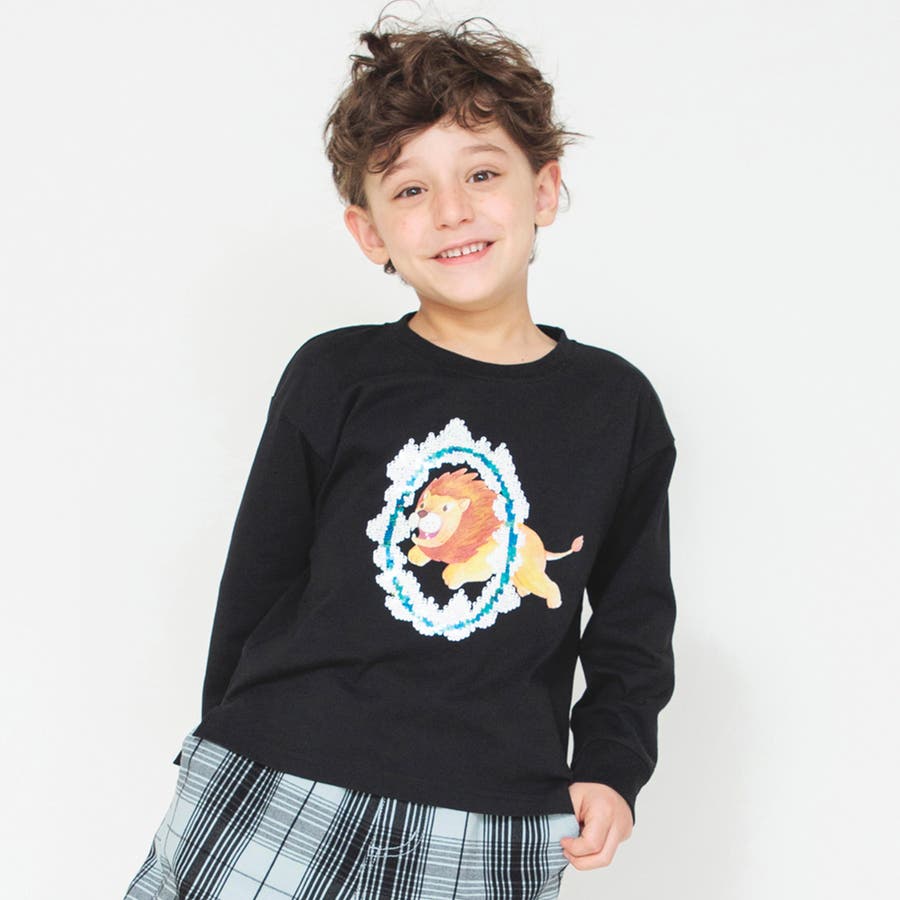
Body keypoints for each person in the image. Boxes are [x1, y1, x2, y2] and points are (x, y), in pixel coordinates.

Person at [123, 7, 678, 899]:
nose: (453, 211)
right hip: (285, 776)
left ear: (544, 190)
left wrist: (613, 765)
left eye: (483, 173)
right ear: (370, 232)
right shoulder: (336, 373)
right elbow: (257, 581)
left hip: (491, 819)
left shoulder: (616, 406)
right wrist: (224, 741)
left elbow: (633, 623)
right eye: (411, 190)